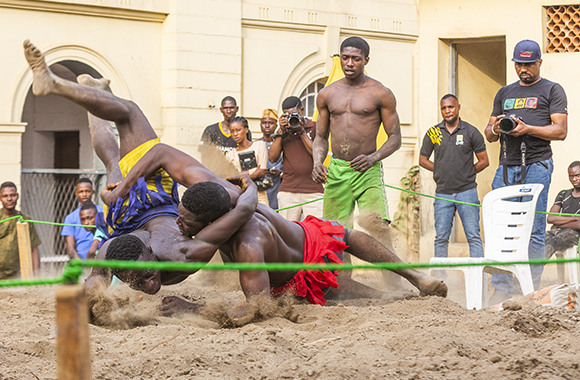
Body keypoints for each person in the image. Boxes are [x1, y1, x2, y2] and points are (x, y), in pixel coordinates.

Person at [23, 40, 258, 300]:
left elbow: (244, 208)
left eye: (146, 277)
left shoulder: (175, 249)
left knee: (119, 144)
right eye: (140, 280)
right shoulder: (147, 251)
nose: (149, 287)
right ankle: (71, 86)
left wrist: (119, 191)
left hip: (125, 209)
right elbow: (93, 285)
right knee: (122, 134)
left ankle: (77, 87)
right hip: (131, 209)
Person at [110, 142, 448, 317]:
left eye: (186, 222)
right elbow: (164, 152)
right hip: (308, 236)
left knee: (337, 276)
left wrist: (193, 308)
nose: (179, 225)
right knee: (346, 242)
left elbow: (255, 309)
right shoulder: (223, 193)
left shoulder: (246, 245)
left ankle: (409, 285)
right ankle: (408, 285)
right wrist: (123, 187)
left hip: (296, 273)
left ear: (211, 222)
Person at [484, 39, 568, 299]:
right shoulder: (504, 93)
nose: (524, 68)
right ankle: (502, 289)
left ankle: (528, 288)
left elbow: (561, 131)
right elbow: (488, 134)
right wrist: (496, 128)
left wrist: (528, 129)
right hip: (507, 166)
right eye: (519, 63)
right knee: (500, 226)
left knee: (533, 227)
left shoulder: (552, 90)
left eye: (529, 63)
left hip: (537, 164)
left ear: (539, 62)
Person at [312, 36, 401, 241]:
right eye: (345, 58)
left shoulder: (381, 93)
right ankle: (343, 274)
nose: (349, 63)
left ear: (366, 60)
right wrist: (317, 162)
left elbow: (395, 138)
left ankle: (392, 274)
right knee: (334, 233)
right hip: (336, 170)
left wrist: (373, 158)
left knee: (378, 226)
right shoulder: (327, 94)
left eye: (356, 59)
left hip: (367, 169)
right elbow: (320, 137)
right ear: (340, 58)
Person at [419, 94, 489, 258]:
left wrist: (467, 172)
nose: (447, 111)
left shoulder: (470, 131)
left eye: (450, 107)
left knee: (473, 236)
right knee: (441, 238)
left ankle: (478, 279)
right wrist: (440, 170)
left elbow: (484, 161)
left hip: (467, 192)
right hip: (443, 193)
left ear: (458, 108)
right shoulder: (434, 132)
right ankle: (440, 278)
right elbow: (422, 160)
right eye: (443, 108)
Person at [268, 96, 323, 220]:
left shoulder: (314, 127)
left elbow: (318, 154)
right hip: (288, 190)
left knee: (317, 230)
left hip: (314, 189)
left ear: (302, 111)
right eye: (287, 115)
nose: (291, 118)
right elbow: (272, 158)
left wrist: (301, 132)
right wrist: (281, 131)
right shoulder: (283, 131)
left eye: (294, 114)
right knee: (288, 233)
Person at [224, 116, 269, 205]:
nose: (235, 134)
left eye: (238, 130)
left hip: (260, 196)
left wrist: (242, 175)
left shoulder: (259, 146)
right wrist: (255, 174)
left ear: (246, 130)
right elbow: (233, 180)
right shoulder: (230, 155)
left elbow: (262, 172)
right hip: (241, 198)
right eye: (232, 131)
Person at [0, 181, 41, 278]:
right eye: (5, 196)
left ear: (17, 196)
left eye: (12, 195)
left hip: (17, 276)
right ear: (0, 198)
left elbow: (34, 248)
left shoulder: (25, 219)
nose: (9, 199)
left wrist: (36, 275)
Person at [199, 96, 252, 164]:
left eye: (231, 108)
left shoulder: (244, 131)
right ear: (221, 109)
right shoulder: (210, 130)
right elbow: (204, 156)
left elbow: (247, 154)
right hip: (215, 172)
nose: (229, 111)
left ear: (237, 109)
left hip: (236, 172)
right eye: (225, 108)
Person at [544, 161, 580, 259]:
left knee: (554, 240)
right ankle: (525, 271)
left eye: (577, 175)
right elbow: (550, 218)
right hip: (558, 231)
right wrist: (575, 218)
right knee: (538, 239)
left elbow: (579, 225)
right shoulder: (563, 194)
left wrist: (557, 224)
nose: (574, 179)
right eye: (571, 176)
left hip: (576, 235)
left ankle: (534, 271)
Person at [61, 178, 103, 260]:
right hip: (81, 263)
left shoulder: (103, 212)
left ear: (92, 192)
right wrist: (83, 267)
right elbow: (70, 249)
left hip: (102, 262)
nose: (84, 194)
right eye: (81, 191)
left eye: (87, 191)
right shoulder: (70, 218)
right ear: (76, 193)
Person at [259, 109, 283, 210]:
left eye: (271, 123)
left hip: (279, 190)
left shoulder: (282, 143)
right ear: (260, 124)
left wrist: (280, 173)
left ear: (276, 125)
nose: (267, 126)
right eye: (264, 123)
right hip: (262, 190)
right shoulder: (256, 144)